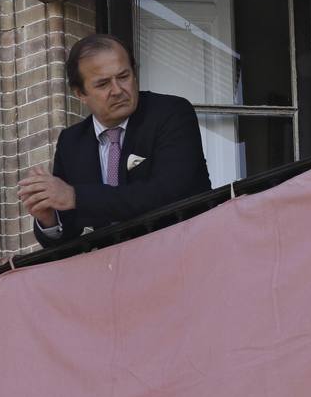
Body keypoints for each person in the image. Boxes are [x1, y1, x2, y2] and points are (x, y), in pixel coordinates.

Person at [18, 34, 212, 247]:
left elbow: (168, 193)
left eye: (123, 76)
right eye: (103, 84)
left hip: (185, 254)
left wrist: (76, 196)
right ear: (80, 93)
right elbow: (69, 231)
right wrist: (49, 217)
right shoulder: (71, 142)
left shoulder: (170, 113)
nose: (118, 90)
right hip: (116, 273)